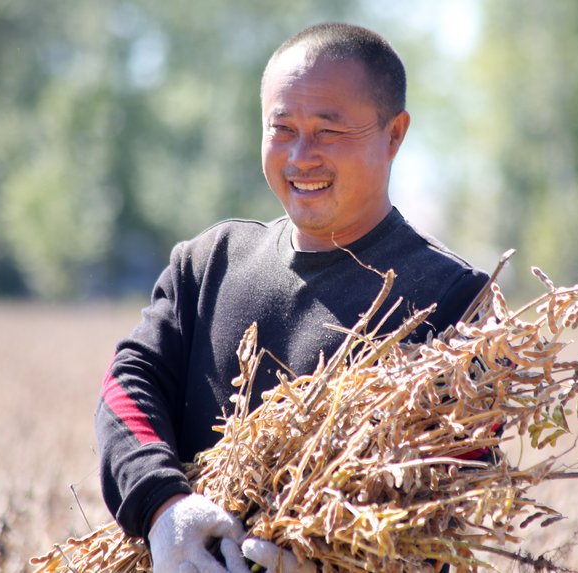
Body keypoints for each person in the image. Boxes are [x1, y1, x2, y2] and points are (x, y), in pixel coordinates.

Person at [96, 22, 489, 573]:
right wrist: (164, 509)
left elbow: (456, 488)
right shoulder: (208, 263)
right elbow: (127, 386)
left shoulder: (456, 301)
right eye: (281, 128)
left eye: (329, 132)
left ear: (394, 134)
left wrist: (343, 561)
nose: (301, 156)